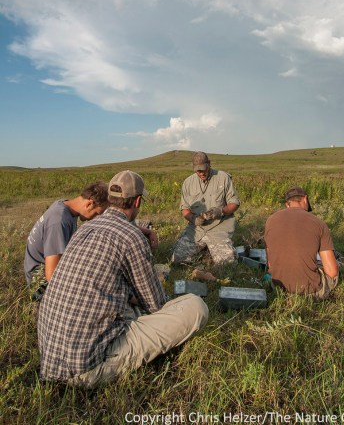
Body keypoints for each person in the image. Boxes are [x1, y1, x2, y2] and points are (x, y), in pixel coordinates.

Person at [38, 170, 208, 387]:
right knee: (196, 306)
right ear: (137, 201)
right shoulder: (131, 237)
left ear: (110, 198)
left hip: (51, 359)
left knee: (129, 304)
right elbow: (156, 305)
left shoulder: (85, 228)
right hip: (85, 367)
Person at [24, 181, 109, 297]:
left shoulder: (64, 206)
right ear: (89, 204)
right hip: (41, 286)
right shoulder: (59, 220)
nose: (95, 217)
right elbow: (51, 275)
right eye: (97, 213)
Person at [264, 186, 339, 299]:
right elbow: (332, 272)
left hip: (278, 288)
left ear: (287, 204)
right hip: (311, 291)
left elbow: (270, 264)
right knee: (335, 267)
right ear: (305, 199)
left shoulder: (270, 220)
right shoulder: (319, 223)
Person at [172, 151, 240, 267]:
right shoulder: (188, 183)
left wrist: (220, 211)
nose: (201, 173)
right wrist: (193, 219)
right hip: (197, 230)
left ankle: (218, 248)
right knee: (177, 258)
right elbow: (184, 210)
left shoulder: (223, 177)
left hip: (219, 227)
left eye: (204, 169)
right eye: (198, 171)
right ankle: (205, 249)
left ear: (209, 164)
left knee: (227, 264)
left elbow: (234, 203)